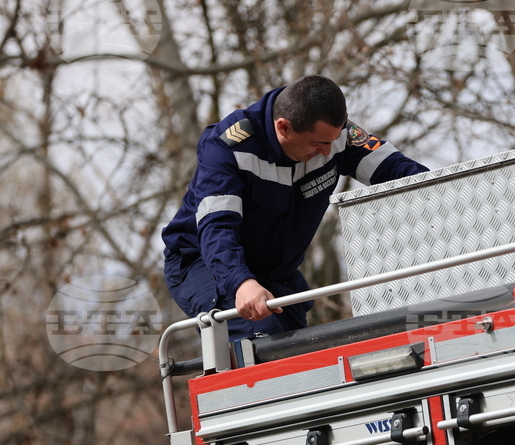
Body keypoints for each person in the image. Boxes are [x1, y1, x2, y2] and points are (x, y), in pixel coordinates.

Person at [162, 75, 428, 341]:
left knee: (304, 351)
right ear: (283, 127)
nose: (328, 152)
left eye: (333, 140)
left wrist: (442, 189)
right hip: (207, 262)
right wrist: (240, 282)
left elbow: (397, 170)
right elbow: (217, 228)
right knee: (262, 344)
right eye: (318, 144)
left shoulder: (335, 136)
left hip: (276, 272)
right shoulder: (227, 147)